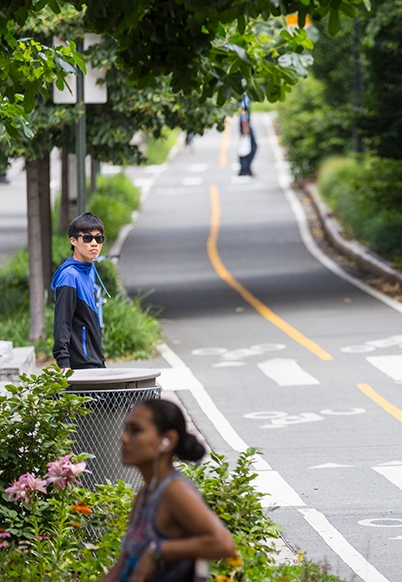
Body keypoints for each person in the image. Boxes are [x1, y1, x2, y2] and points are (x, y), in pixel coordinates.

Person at [100, 399, 236, 582]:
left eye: (136, 430)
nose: (123, 438)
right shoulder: (144, 494)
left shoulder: (174, 491)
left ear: (168, 440)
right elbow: (122, 564)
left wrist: (158, 551)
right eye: (126, 429)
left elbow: (223, 543)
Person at [51, 212, 109, 371]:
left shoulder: (87, 272)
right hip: (80, 365)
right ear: (73, 240)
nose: (94, 243)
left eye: (99, 238)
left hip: (94, 361)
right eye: (88, 238)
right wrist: (63, 361)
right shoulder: (70, 276)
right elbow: (62, 321)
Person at [238, 94, 257, 176]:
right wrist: (245, 126)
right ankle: (244, 168)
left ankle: (246, 168)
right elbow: (243, 109)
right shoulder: (245, 94)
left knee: (248, 146)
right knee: (250, 147)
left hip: (245, 124)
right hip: (244, 124)